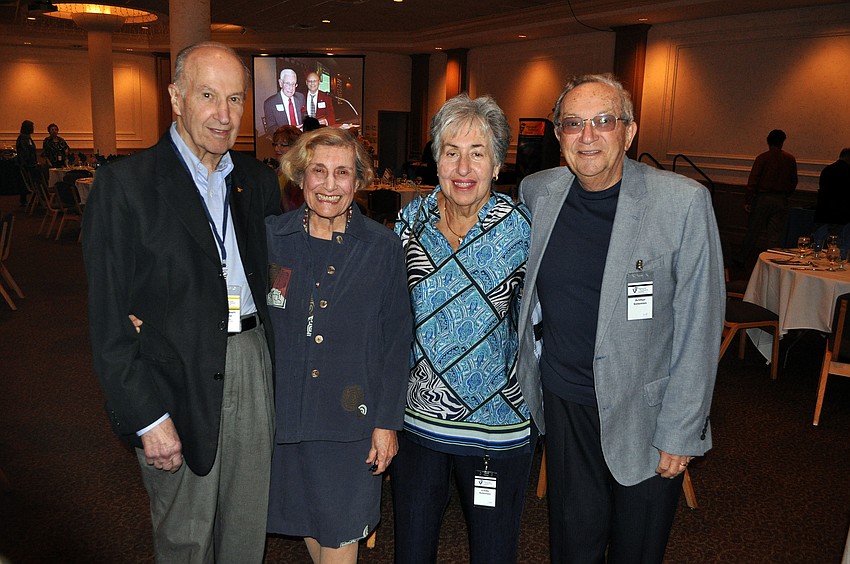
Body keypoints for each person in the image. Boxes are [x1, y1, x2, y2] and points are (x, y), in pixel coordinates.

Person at [82, 41, 281, 562]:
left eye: (235, 99)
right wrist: (147, 417)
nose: (223, 114)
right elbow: (108, 322)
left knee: (245, 532)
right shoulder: (126, 186)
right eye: (208, 95)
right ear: (176, 97)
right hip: (176, 378)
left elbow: (279, 276)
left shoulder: (257, 183)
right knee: (185, 540)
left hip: (251, 361)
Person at [516, 74, 725, 563]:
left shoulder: (683, 203)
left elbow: (700, 326)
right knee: (572, 547)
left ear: (629, 132)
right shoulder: (537, 192)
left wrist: (681, 430)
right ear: (557, 134)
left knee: (637, 551)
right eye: (573, 123)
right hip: (565, 406)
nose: (587, 136)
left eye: (603, 121)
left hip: (647, 417)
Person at [392, 93, 534, 564]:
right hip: (417, 424)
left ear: (497, 165)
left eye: (478, 153)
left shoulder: (522, 229)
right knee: (412, 551)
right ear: (436, 161)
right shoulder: (409, 222)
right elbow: (387, 315)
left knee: (493, 553)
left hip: (497, 428)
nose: (463, 166)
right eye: (451, 151)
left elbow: (545, 320)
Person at [265, 127, 412, 564]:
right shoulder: (273, 236)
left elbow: (397, 340)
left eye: (342, 172)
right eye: (319, 171)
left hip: (351, 422)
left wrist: (387, 423)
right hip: (286, 418)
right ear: (300, 176)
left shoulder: (382, 247)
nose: (330, 185)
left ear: (358, 179)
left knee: (340, 540)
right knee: (313, 527)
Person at [735, 129, 798, 264]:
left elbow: (754, 179)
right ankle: (772, 262)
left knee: (753, 231)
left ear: (768, 142)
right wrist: (785, 195)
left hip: (763, 198)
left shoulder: (763, 158)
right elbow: (794, 181)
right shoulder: (790, 159)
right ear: (782, 142)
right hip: (781, 199)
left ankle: (741, 258)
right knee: (774, 235)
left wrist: (748, 199)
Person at [815, 148, 850, 235]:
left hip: (824, 211)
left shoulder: (827, 169)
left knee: (821, 238)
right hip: (841, 214)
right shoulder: (847, 171)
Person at [272, 125, 304, 211]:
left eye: (282, 145)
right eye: (275, 144)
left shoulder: (298, 174)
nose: (276, 149)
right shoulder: (275, 172)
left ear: (295, 147)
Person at [263, 68, 305, 134]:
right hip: (285, 139)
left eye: (293, 84)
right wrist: (289, 131)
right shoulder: (270, 103)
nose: (291, 87)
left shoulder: (300, 97)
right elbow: (271, 128)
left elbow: (304, 115)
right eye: (287, 83)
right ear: (280, 83)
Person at [15, 120, 38, 207]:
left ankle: (32, 199)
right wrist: (29, 163)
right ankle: (24, 200)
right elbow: (24, 152)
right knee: (25, 183)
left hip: (29, 164)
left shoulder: (27, 137)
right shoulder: (23, 138)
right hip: (26, 165)